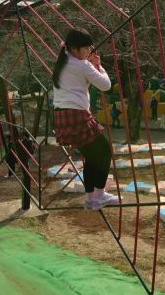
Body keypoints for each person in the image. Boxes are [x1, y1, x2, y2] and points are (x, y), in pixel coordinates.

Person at [52, 28, 121, 210]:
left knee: (92, 156)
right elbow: (106, 85)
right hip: (77, 115)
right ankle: (99, 195)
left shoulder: (63, 59)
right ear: (75, 48)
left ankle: (91, 198)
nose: (89, 51)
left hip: (61, 116)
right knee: (105, 151)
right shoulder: (82, 65)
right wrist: (98, 66)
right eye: (86, 48)